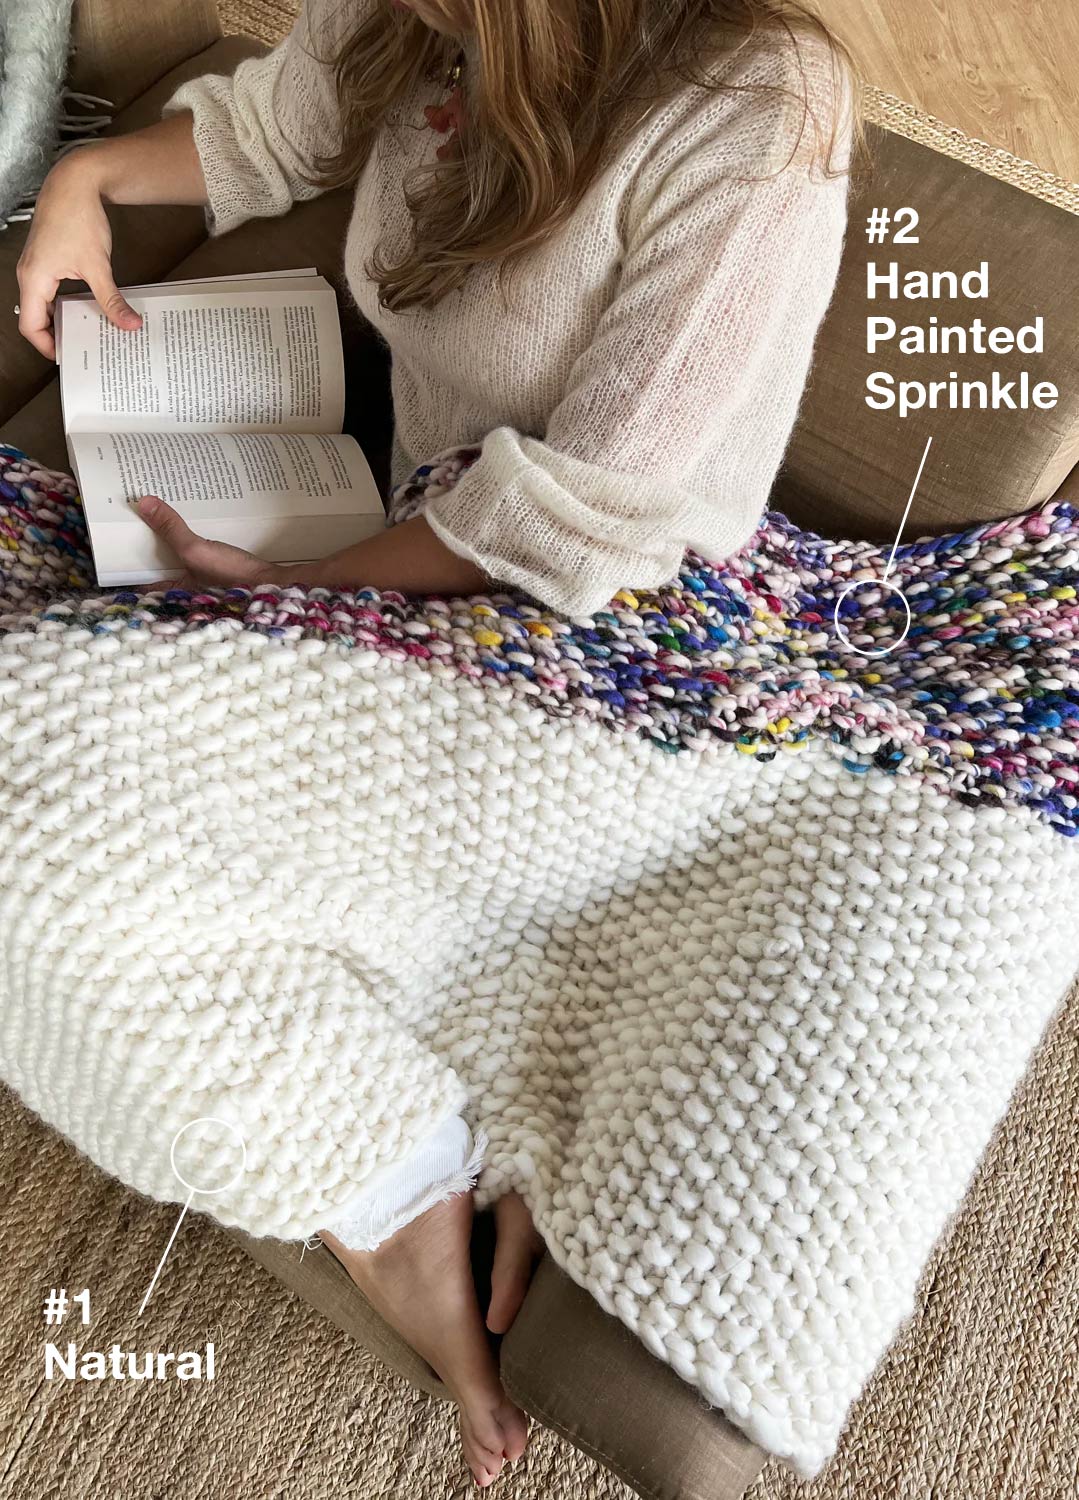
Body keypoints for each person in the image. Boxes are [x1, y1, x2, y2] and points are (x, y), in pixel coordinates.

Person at [17, 0, 854, 1485]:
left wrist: (304, 592)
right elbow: (271, 130)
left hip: (623, 638)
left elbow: (582, 512)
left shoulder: (759, 106)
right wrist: (82, 184)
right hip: (423, 550)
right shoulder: (412, 16)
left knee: (51, 828)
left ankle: (395, 1182)